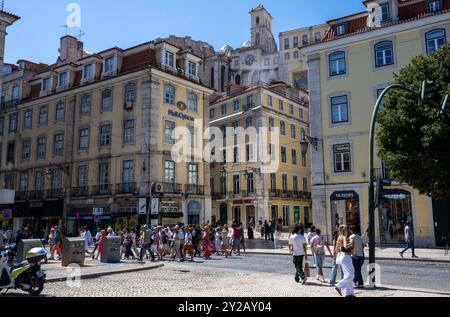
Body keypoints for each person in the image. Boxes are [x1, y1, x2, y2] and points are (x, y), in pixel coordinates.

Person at [335, 225, 355, 297]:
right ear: (345, 231)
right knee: (351, 275)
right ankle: (339, 286)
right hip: (346, 257)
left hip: (341, 257)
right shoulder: (343, 237)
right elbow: (345, 246)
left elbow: (336, 250)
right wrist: (351, 243)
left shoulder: (339, 237)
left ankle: (349, 293)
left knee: (347, 275)